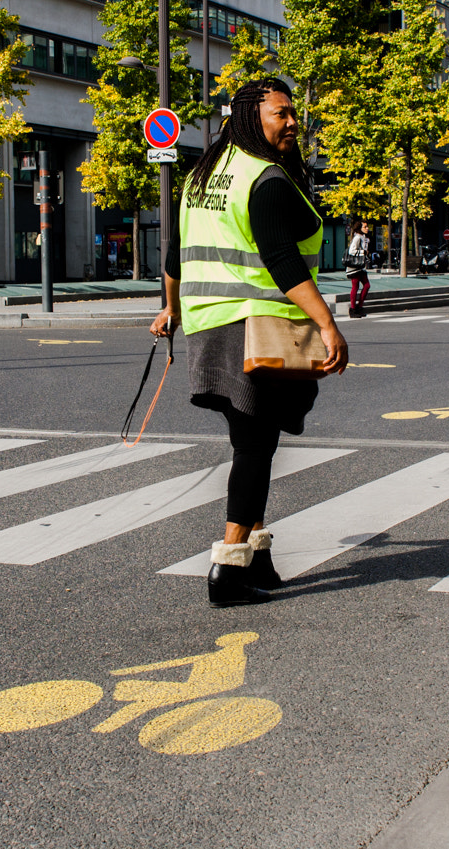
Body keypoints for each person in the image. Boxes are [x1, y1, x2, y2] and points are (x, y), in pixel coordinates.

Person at [151, 77, 348, 607]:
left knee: (254, 441)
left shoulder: (203, 176)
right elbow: (283, 260)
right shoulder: (265, 178)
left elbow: (175, 255)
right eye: (279, 114)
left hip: (210, 327)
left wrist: (171, 307)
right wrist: (327, 323)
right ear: (249, 118)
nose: (290, 123)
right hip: (253, 327)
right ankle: (229, 567)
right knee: (254, 445)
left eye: (290, 114)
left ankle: (258, 557)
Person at [345, 220, 372, 318]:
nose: (367, 228)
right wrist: (363, 253)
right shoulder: (357, 238)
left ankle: (359, 307)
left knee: (367, 285)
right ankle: (353, 309)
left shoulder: (364, 238)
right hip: (354, 267)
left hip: (360, 266)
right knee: (355, 287)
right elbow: (352, 251)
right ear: (360, 228)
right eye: (365, 227)